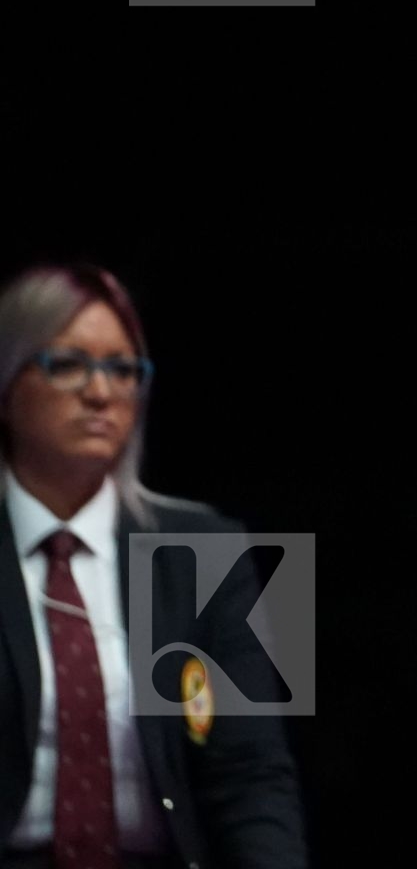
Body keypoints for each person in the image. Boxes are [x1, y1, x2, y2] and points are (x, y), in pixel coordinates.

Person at [0, 262, 310, 869]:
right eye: (66, 364)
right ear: (7, 384)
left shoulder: (213, 550)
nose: (101, 392)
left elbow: (254, 775)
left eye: (122, 369)